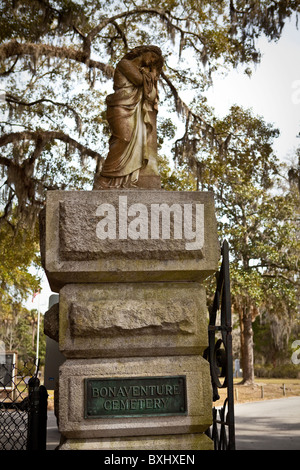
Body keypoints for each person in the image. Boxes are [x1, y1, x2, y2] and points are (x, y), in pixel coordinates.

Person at [97, 45, 164, 189]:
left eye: (155, 60)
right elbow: (139, 80)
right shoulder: (124, 64)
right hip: (121, 105)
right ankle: (105, 178)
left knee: (137, 144)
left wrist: (150, 74)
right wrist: (151, 73)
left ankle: (127, 180)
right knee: (123, 138)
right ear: (143, 52)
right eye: (152, 57)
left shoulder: (144, 71)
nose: (152, 61)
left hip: (135, 109)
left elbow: (150, 95)